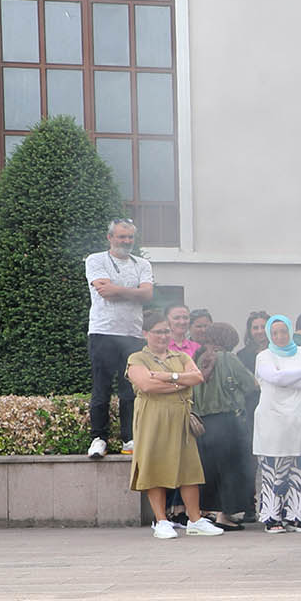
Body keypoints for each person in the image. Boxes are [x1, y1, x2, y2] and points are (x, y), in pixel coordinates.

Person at [124, 308, 222, 539]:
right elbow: (146, 385)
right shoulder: (137, 358)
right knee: (155, 466)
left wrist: (169, 377)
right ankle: (161, 520)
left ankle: (195, 519)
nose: (163, 336)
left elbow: (197, 377)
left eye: (166, 331)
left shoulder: (181, 356)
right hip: (152, 418)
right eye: (158, 332)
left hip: (180, 417)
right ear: (146, 333)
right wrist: (181, 384)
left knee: (189, 469)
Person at [84, 218, 154, 458]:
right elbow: (105, 292)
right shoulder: (96, 260)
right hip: (103, 331)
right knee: (101, 387)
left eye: (130, 237)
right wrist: (133, 292)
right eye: (121, 236)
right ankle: (98, 438)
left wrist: (118, 290)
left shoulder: (142, 264)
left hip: (132, 334)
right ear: (110, 238)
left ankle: (129, 438)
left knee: (129, 389)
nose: (126, 241)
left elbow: (147, 294)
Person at [252, 314, 301, 533]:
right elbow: (275, 379)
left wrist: (289, 378)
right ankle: (272, 517)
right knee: (274, 470)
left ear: (290, 331)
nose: (280, 336)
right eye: (275, 333)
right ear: (269, 335)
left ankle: (298, 516)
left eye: (284, 331)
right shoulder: (264, 356)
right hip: (274, 422)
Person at [188, 322, 257, 530]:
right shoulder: (228, 358)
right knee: (232, 469)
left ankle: (214, 512)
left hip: (204, 423)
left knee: (213, 470)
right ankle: (224, 515)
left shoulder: (198, 358)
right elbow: (250, 384)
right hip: (228, 421)